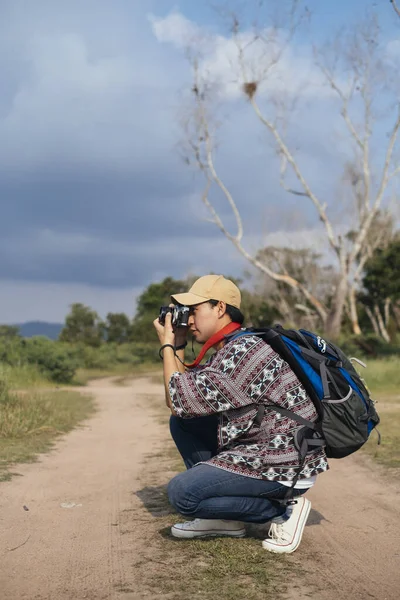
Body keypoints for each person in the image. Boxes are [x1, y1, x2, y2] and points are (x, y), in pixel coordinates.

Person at [153, 274, 329, 553]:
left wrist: (167, 345)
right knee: (183, 423)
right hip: (268, 448)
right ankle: (222, 517)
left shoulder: (242, 352)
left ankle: (284, 512)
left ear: (220, 308)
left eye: (194, 311)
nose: (188, 320)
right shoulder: (233, 344)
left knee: (182, 495)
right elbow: (184, 401)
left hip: (283, 462)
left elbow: (177, 398)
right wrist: (179, 343)